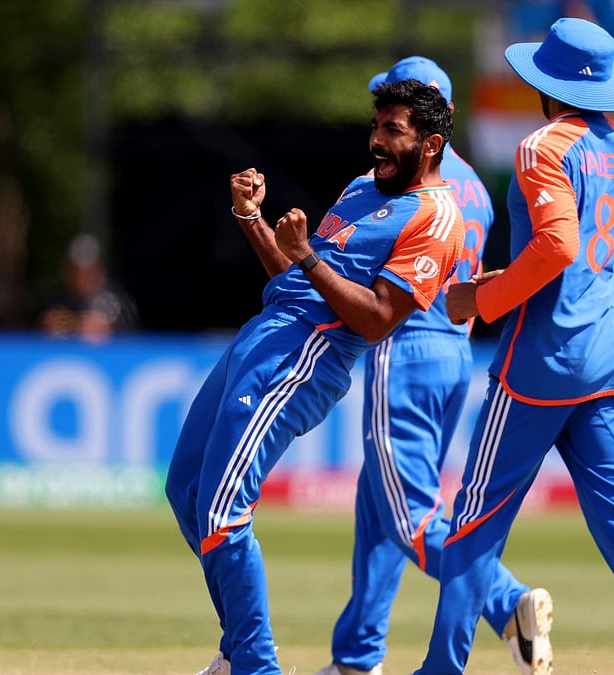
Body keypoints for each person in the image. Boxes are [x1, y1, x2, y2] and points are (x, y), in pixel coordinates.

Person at [420, 18, 614, 675]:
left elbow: (557, 246)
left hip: (542, 363)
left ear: (546, 85)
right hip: (612, 359)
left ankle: (441, 667)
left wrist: (484, 299)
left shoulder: (540, 149)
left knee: (475, 522)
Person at [164, 79, 464, 675]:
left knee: (223, 510)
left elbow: (378, 318)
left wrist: (306, 256)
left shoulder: (437, 220)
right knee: (189, 492)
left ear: (429, 144)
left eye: (392, 131)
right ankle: (238, 654)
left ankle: (255, 666)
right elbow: (299, 280)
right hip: (266, 334)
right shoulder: (360, 188)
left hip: (306, 358)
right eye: (375, 127)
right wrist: (252, 219)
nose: (376, 141)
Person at [303, 58, 543, 675]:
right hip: (453, 356)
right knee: (379, 501)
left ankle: (506, 602)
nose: (382, 133)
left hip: (402, 349)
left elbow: (364, 274)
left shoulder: (398, 186)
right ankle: (357, 656)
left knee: (408, 513)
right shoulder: (476, 190)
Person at [35, 232, 139, 340]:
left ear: (100, 272)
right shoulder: (57, 301)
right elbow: (36, 331)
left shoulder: (117, 303)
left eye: (89, 271)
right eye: (77, 271)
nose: (82, 278)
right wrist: (45, 324)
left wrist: (110, 330)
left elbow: (134, 339)